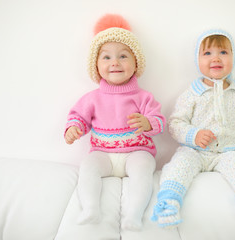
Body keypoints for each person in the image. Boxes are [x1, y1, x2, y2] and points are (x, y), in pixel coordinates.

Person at [151, 29, 235, 228]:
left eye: (223, 52)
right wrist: (194, 135)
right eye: (207, 53)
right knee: (179, 165)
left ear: (233, 57)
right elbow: (175, 123)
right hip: (195, 151)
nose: (216, 58)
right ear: (197, 59)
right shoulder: (192, 94)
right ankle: (168, 204)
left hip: (229, 151)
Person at [64, 14, 165, 231]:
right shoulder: (92, 98)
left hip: (137, 151)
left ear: (136, 62)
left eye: (123, 56)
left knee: (143, 169)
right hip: (103, 154)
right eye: (107, 57)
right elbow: (79, 117)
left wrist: (148, 123)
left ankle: (134, 214)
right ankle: (90, 208)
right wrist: (74, 129)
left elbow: (159, 120)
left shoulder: (143, 97)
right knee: (88, 167)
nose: (115, 63)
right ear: (96, 65)